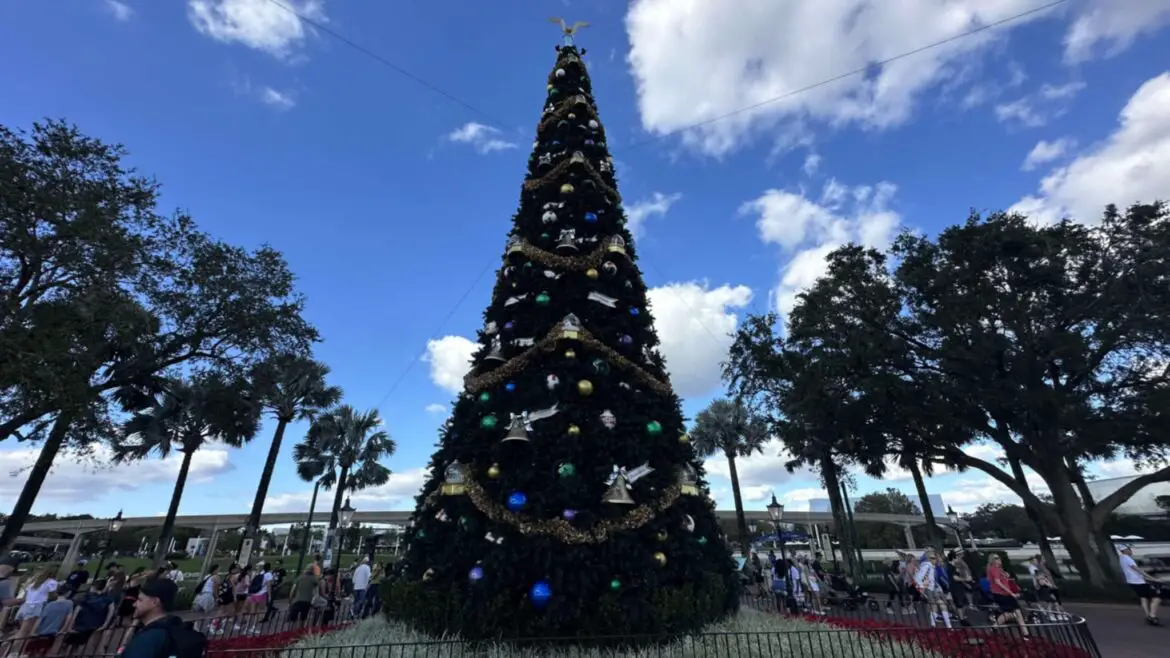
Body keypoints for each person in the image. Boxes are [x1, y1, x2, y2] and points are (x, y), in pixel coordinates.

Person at [118, 578, 206, 658]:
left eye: (140, 600)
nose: (134, 604)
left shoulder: (149, 639)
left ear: (154, 602)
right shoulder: (176, 628)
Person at [62, 578, 116, 648]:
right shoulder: (107, 599)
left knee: (68, 642)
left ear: (94, 587)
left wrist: (70, 625)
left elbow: (77, 610)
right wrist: (105, 625)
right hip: (92, 626)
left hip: (80, 624)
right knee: (79, 644)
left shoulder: (87, 596)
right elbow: (111, 612)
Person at [1119, 544, 1162, 626]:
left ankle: (1148, 616)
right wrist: (1153, 579)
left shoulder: (1121, 558)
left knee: (1143, 598)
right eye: (1129, 549)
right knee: (1157, 598)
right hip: (1139, 582)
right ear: (1125, 550)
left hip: (1131, 582)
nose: (1131, 550)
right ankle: (1152, 616)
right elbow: (1138, 570)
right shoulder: (1128, 559)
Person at [987, 553, 1028, 635]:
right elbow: (997, 582)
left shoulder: (999, 569)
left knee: (1014, 612)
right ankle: (1025, 632)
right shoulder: (994, 568)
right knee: (1014, 613)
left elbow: (1003, 581)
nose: (999, 559)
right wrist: (1011, 593)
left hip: (1004, 594)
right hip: (1002, 594)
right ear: (993, 560)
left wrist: (1006, 576)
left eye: (999, 558)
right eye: (996, 558)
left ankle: (1025, 632)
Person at [13, 567, 58, 641]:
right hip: (35, 607)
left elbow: (25, 596)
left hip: (25, 607)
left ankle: (18, 648)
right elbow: (53, 595)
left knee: (24, 632)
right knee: (24, 633)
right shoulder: (51, 582)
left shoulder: (33, 583)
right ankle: (14, 649)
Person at [914, 551, 951, 628]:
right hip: (929, 589)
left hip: (932, 588)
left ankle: (943, 625)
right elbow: (917, 578)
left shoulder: (931, 566)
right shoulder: (927, 566)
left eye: (935, 558)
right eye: (933, 558)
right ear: (928, 559)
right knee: (936, 606)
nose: (935, 560)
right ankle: (943, 626)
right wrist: (922, 588)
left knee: (939, 605)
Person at [947, 550, 974, 626]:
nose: (959, 559)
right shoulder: (950, 567)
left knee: (964, 603)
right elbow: (955, 578)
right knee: (959, 603)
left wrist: (965, 584)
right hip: (955, 587)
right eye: (957, 558)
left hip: (959, 587)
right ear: (953, 558)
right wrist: (966, 580)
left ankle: (961, 617)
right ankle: (961, 618)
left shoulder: (954, 566)